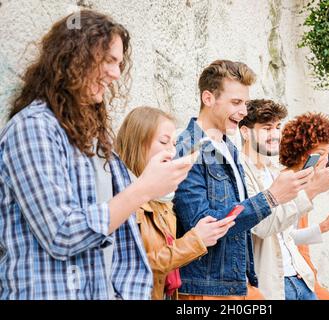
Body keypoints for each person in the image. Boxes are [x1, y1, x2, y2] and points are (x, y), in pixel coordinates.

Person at [0, 10, 193, 300]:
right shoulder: (32, 128)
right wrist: (142, 190)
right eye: (108, 61)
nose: (116, 74)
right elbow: (61, 233)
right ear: (73, 57)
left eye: (119, 63)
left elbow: (124, 247)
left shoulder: (94, 139)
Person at [173, 60, 315, 300]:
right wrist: (271, 197)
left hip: (238, 285)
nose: (243, 112)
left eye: (245, 103)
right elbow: (201, 226)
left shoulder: (229, 147)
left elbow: (240, 223)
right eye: (236, 102)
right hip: (206, 290)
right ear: (208, 99)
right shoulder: (188, 148)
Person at [115, 106, 237, 299]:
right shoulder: (124, 200)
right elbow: (135, 267)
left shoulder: (163, 200)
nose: (172, 152)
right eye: (164, 142)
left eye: (173, 144)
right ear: (137, 143)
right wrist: (195, 241)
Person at [239, 99, 329, 300]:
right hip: (276, 285)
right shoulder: (240, 173)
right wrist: (312, 191)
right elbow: (263, 227)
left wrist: (324, 225)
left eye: (277, 127)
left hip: (300, 279)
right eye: (267, 128)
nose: (275, 134)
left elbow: (286, 236)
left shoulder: (274, 173)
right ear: (245, 132)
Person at [279, 112, 329, 299]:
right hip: (292, 280)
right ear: (300, 151)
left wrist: (326, 225)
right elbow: (277, 237)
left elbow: (289, 238)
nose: (325, 160)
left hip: (304, 275)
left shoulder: (305, 184)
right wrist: (324, 226)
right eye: (320, 154)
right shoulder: (286, 183)